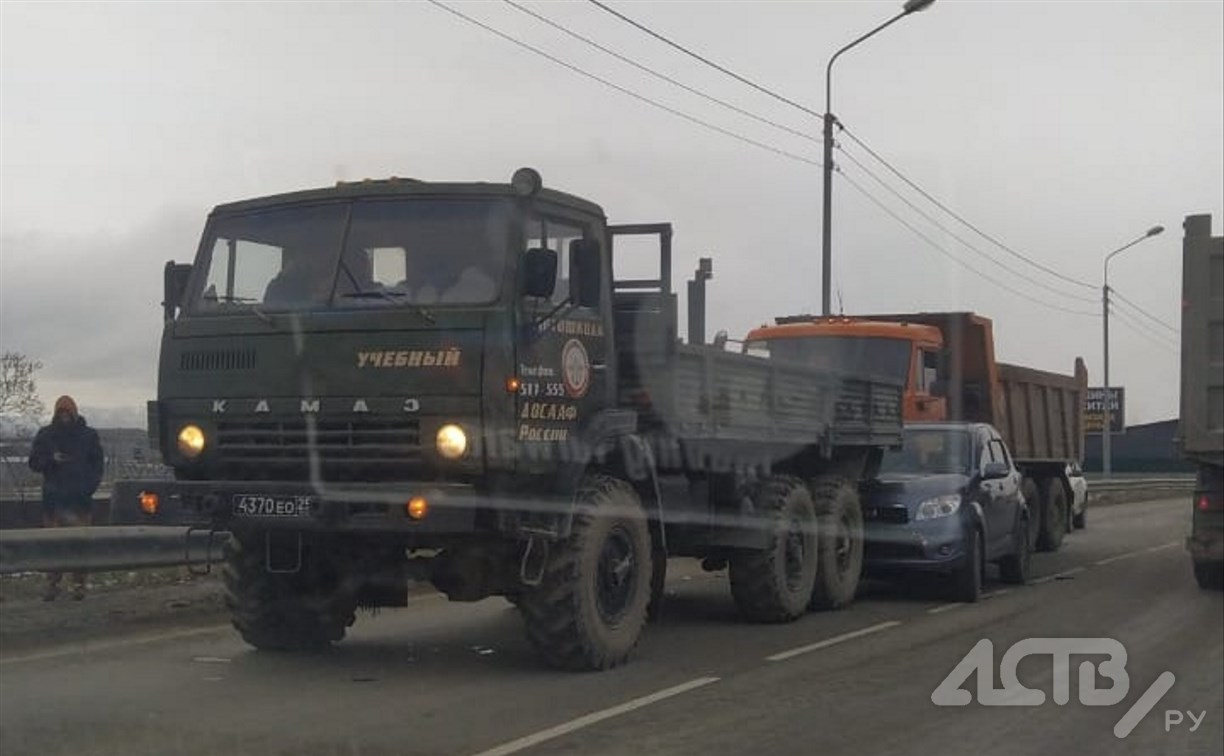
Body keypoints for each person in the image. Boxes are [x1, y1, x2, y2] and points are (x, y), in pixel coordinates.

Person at [27, 395, 104, 601]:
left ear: (74, 413)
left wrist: (88, 488)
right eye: (60, 413)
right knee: (53, 545)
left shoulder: (88, 436)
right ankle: (52, 584)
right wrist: (51, 460)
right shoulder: (46, 435)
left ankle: (79, 585)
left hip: (79, 501)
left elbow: (97, 467)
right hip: (54, 501)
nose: (64, 416)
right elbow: (34, 462)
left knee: (79, 545)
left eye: (67, 413)